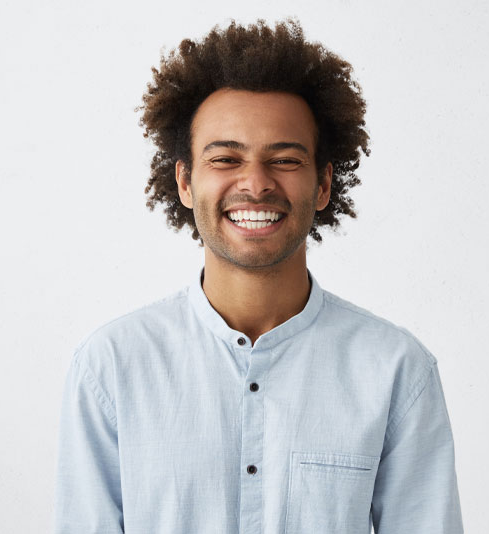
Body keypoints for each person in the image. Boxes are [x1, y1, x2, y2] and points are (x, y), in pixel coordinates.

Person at [54, 19, 463, 534]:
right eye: (226, 158)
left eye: (285, 159)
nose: (256, 183)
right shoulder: (111, 368)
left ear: (322, 184)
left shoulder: (396, 372)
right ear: (184, 181)